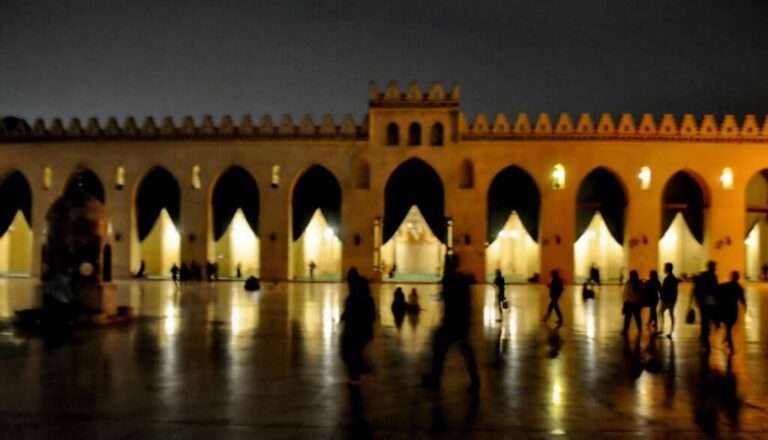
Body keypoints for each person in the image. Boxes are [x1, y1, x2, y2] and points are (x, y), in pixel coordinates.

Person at [423, 255, 480, 392]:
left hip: (451, 322)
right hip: (462, 321)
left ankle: (435, 379)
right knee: (466, 352)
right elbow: (470, 281)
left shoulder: (449, 279)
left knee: (440, 350)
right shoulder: (461, 279)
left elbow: (447, 296)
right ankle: (475, 380)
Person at [340, 267, 376, 385]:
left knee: (350, 353)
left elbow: (353, 311)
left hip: (355, 330)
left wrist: (345, 317)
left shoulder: (355, 296)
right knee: (354, 353)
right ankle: (356, 375)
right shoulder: (362, 294)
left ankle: (356, 376)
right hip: (360, 330)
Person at [691, 261, 719, 350]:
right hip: (709, 298)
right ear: (712, 267)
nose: (715, 268)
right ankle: (706, 334)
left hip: (702, 299)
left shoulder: (702, 275)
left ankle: (704, 334)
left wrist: (692, 300)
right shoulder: (713, 276)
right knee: (708, 316)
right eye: (714, 267)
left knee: (704, 317)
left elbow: (695, 287)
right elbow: (715, 290)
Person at [718, 271, 746, 353]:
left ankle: (727, 340)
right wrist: (745, 307)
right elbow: (742, 299)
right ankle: (731, 345)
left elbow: (717, 292)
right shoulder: (739, 287)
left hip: (726, 309)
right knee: (729, 327)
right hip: (733, 310)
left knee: (728, 327)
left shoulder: (725, 286)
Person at [659, 262, 679, 338]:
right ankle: (668, 330)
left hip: (668, 299)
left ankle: (665, 329)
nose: (664, 269)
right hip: (670, 299)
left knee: (665, 313)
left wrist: (662, 296)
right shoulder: (672, 278)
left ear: (668, 268)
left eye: (665, 267)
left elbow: (666, 289)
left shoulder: (669, 278)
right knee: (668, 314)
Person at [622, 270, 644, 335]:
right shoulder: (629, 282)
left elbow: (640, 294)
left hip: (635, 303)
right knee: (628, 317)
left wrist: (625, 302)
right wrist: (624, 303)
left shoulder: (638, 283)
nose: (630, 276)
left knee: (635, 317)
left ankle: (639, 329)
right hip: (630, 303)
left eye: (631, 275)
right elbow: (625, 293)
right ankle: (626, 330)